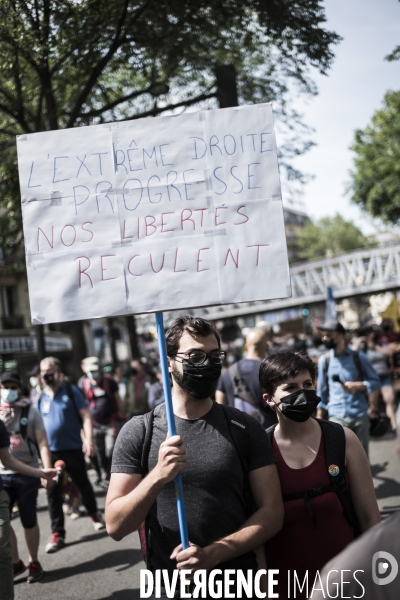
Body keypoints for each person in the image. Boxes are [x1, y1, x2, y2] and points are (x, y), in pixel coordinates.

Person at [106, 316, 284, 597]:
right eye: (195, 356)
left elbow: (272, 513)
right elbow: (115, 525)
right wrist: (158, 476)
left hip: (239, 586)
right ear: (168, 362)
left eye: (215, 356)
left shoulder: (245, 427)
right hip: (168, 588)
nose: (207, 363)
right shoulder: (140, 432)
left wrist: (214, 554)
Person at [261, 350, 381, 599]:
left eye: (307, 384)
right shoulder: (260, 452)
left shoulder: (342, 439)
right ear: (269, 399)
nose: (302, 393)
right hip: (287, 588)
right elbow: (258, 536)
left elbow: (370, 518)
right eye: (290, 388)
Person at [38, 356, 105, 553]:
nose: (46, 376)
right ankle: (58, 534)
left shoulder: (70, 390)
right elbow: (36, 426)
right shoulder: (40, 396)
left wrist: (88, 440)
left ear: (58, 372)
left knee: (82, 483)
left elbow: (85, 415)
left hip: (73, 448)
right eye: (43, 372)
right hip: (50, 452)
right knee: (52, 492)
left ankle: (94, 514)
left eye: (49, 371)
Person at [0, 371, 55, 584]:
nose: (9, 391)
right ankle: (15, 562)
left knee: (29, 518)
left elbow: (42, 442)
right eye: (5, 387)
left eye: (13, 387)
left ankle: (33, 561)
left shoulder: (31, 411)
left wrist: (46, 470)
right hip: (3, 475)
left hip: (27, 472)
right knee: (4, 522)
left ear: (20, 388)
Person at [317, 319, 380, 456]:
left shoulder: (359, 357)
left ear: (340, 336)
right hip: (336, 416)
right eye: (323, 335)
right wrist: (319, 419)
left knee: (362, 458)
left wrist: (360, 385)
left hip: (359, 414)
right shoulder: (325, 360)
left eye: (329, 335)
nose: (325, 338)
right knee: (340, 459)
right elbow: (321, 392)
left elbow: (375, 382)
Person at [215, 328, 277, 427]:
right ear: (266, 347)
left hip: (241, 434)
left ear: (246, 347)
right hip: (271, 433)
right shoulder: (272, 371)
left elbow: (219, 408)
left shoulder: (227, 374)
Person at [79, 357, 126, 484]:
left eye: (94, 370)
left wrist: (123, 415)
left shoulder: (109, 381)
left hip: (111, 422)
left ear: (99, 369)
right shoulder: (83, 383)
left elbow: (118, 399)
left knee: (111, 450)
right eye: (90, 371)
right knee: (98, 452)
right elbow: (81, 405)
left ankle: (113, 476)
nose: (92, 373)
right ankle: (104, 476)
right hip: (94, 424)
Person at [355, 327, 397, 432]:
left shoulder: (380, 344)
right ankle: (374, 425)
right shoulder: (362, 347)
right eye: (370, 333)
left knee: (389, 400)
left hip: (384, 376)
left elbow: (389, 353)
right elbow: (352, 351)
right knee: (374, 405)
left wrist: (375, 347)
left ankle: (393, 425)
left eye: (374, 333)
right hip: (371, 379)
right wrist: (360, 340)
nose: (373, 336)